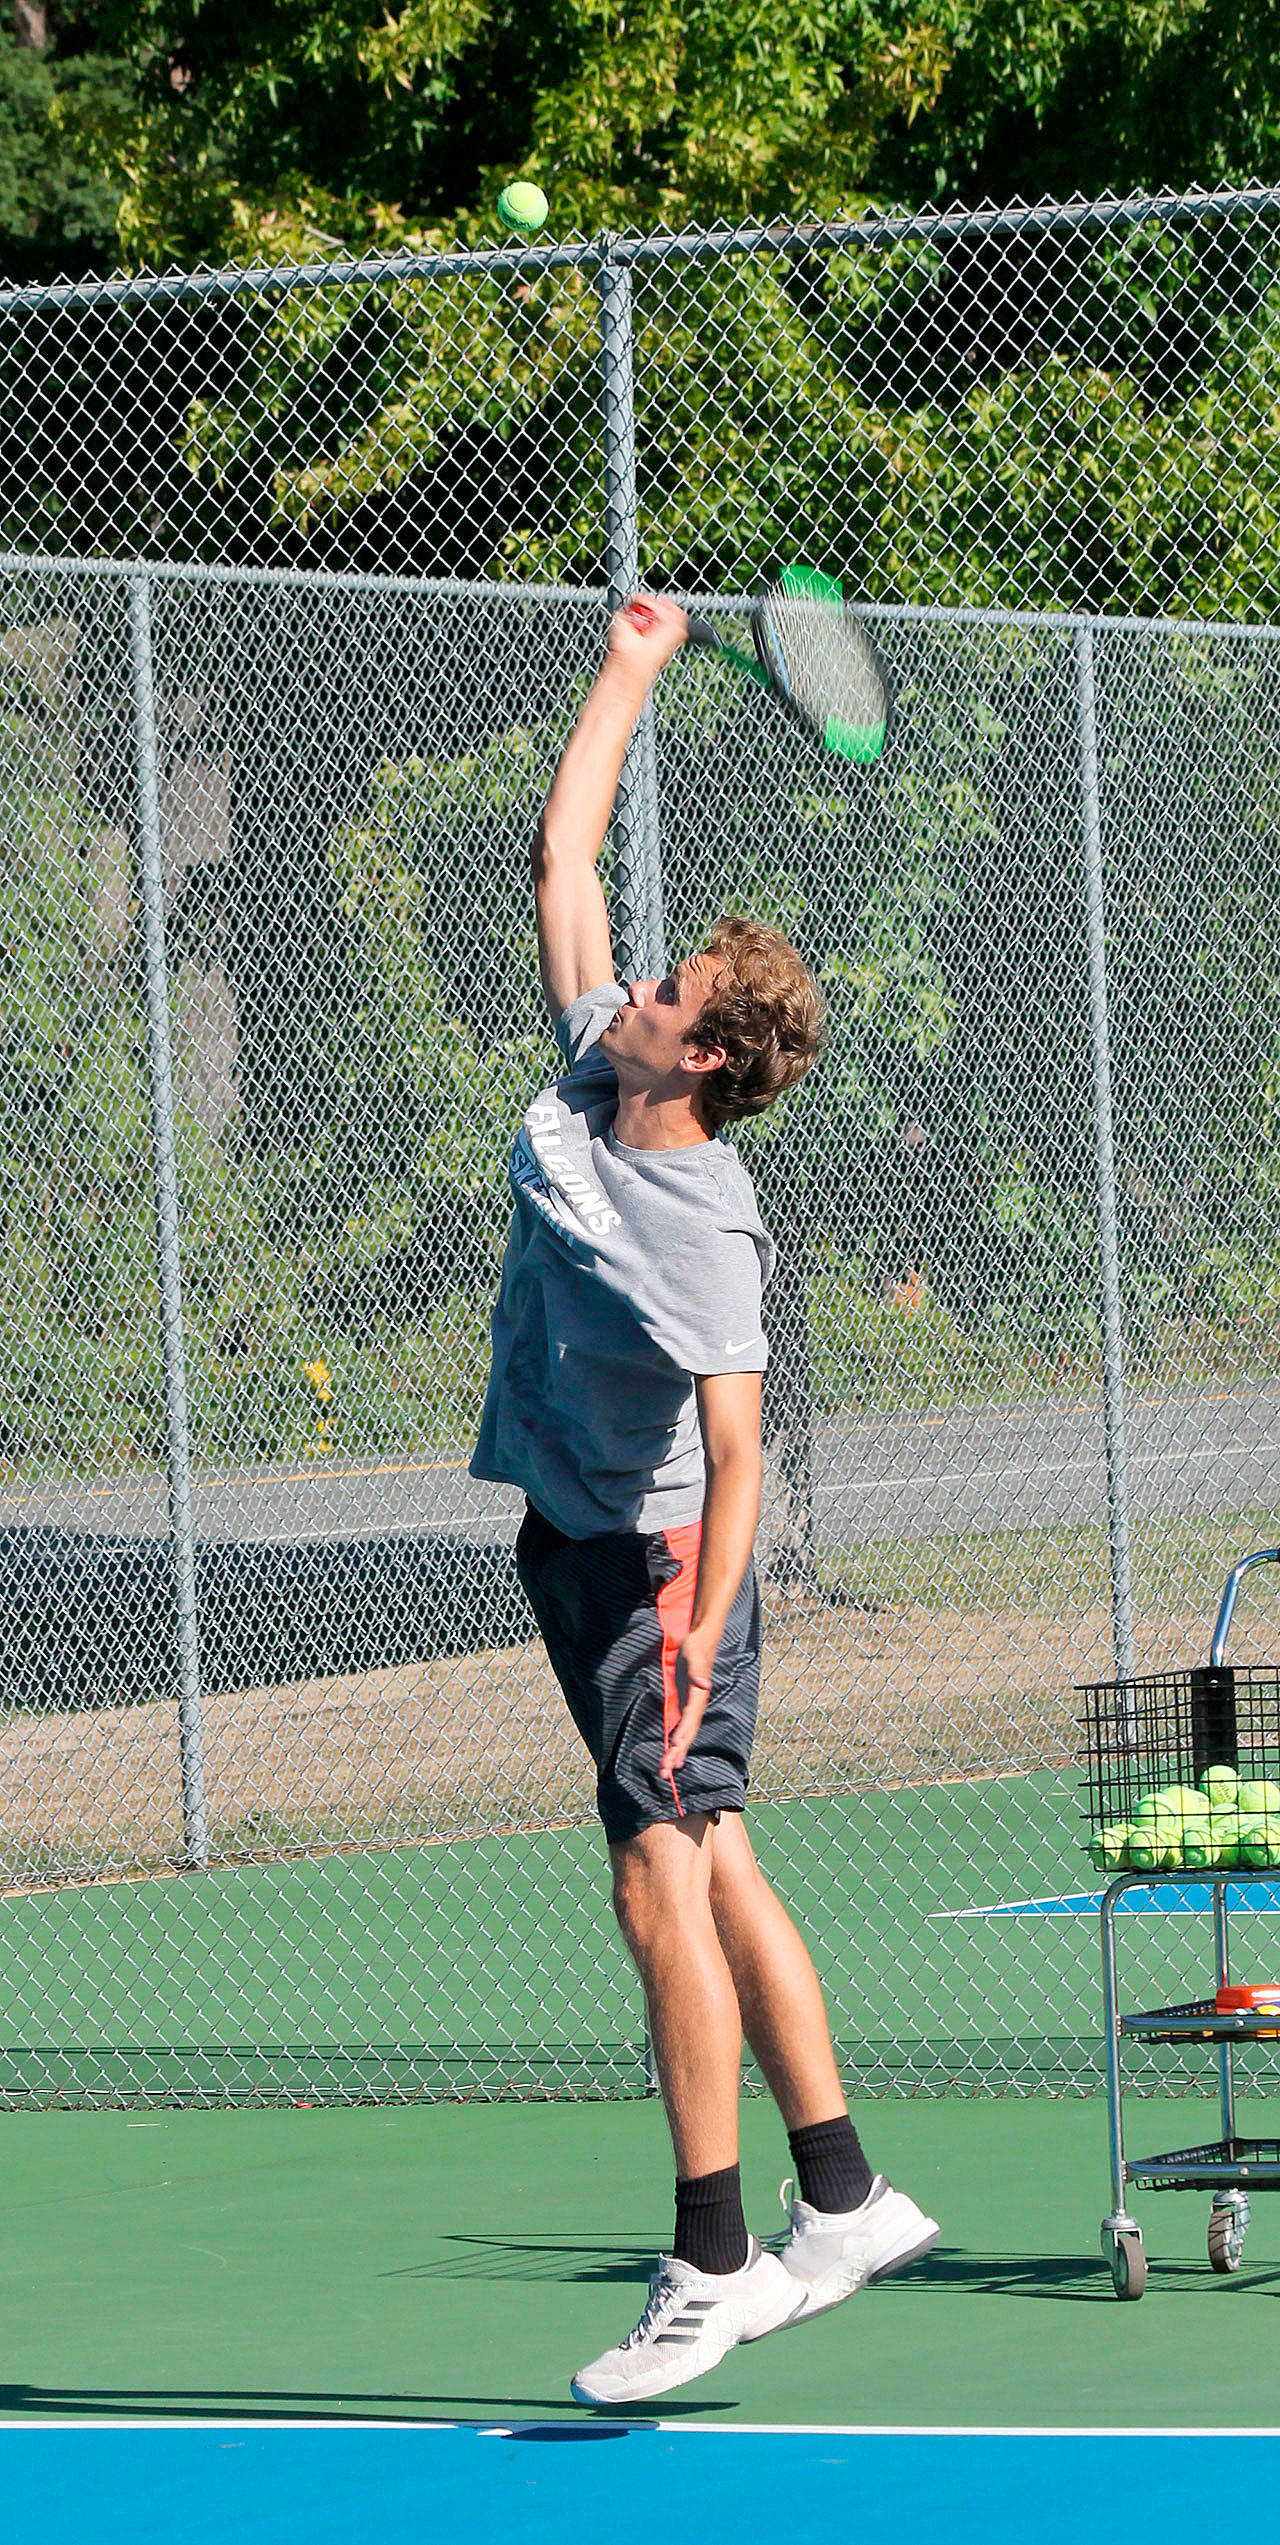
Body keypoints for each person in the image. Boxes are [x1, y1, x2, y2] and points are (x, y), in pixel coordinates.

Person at [471, 592, 938, 2406]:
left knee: (658, 1873)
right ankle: (846, 2197)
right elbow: (563, 856)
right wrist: (633, 666)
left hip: (661, 1565)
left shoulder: (703, 1224)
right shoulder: (602, 1065)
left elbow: (742, 1454)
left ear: (711, 1061)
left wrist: (696, 1631)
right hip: (578, 1539)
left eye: (669, 994)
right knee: (717, 1850)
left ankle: (712, 2257)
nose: (639, 988)